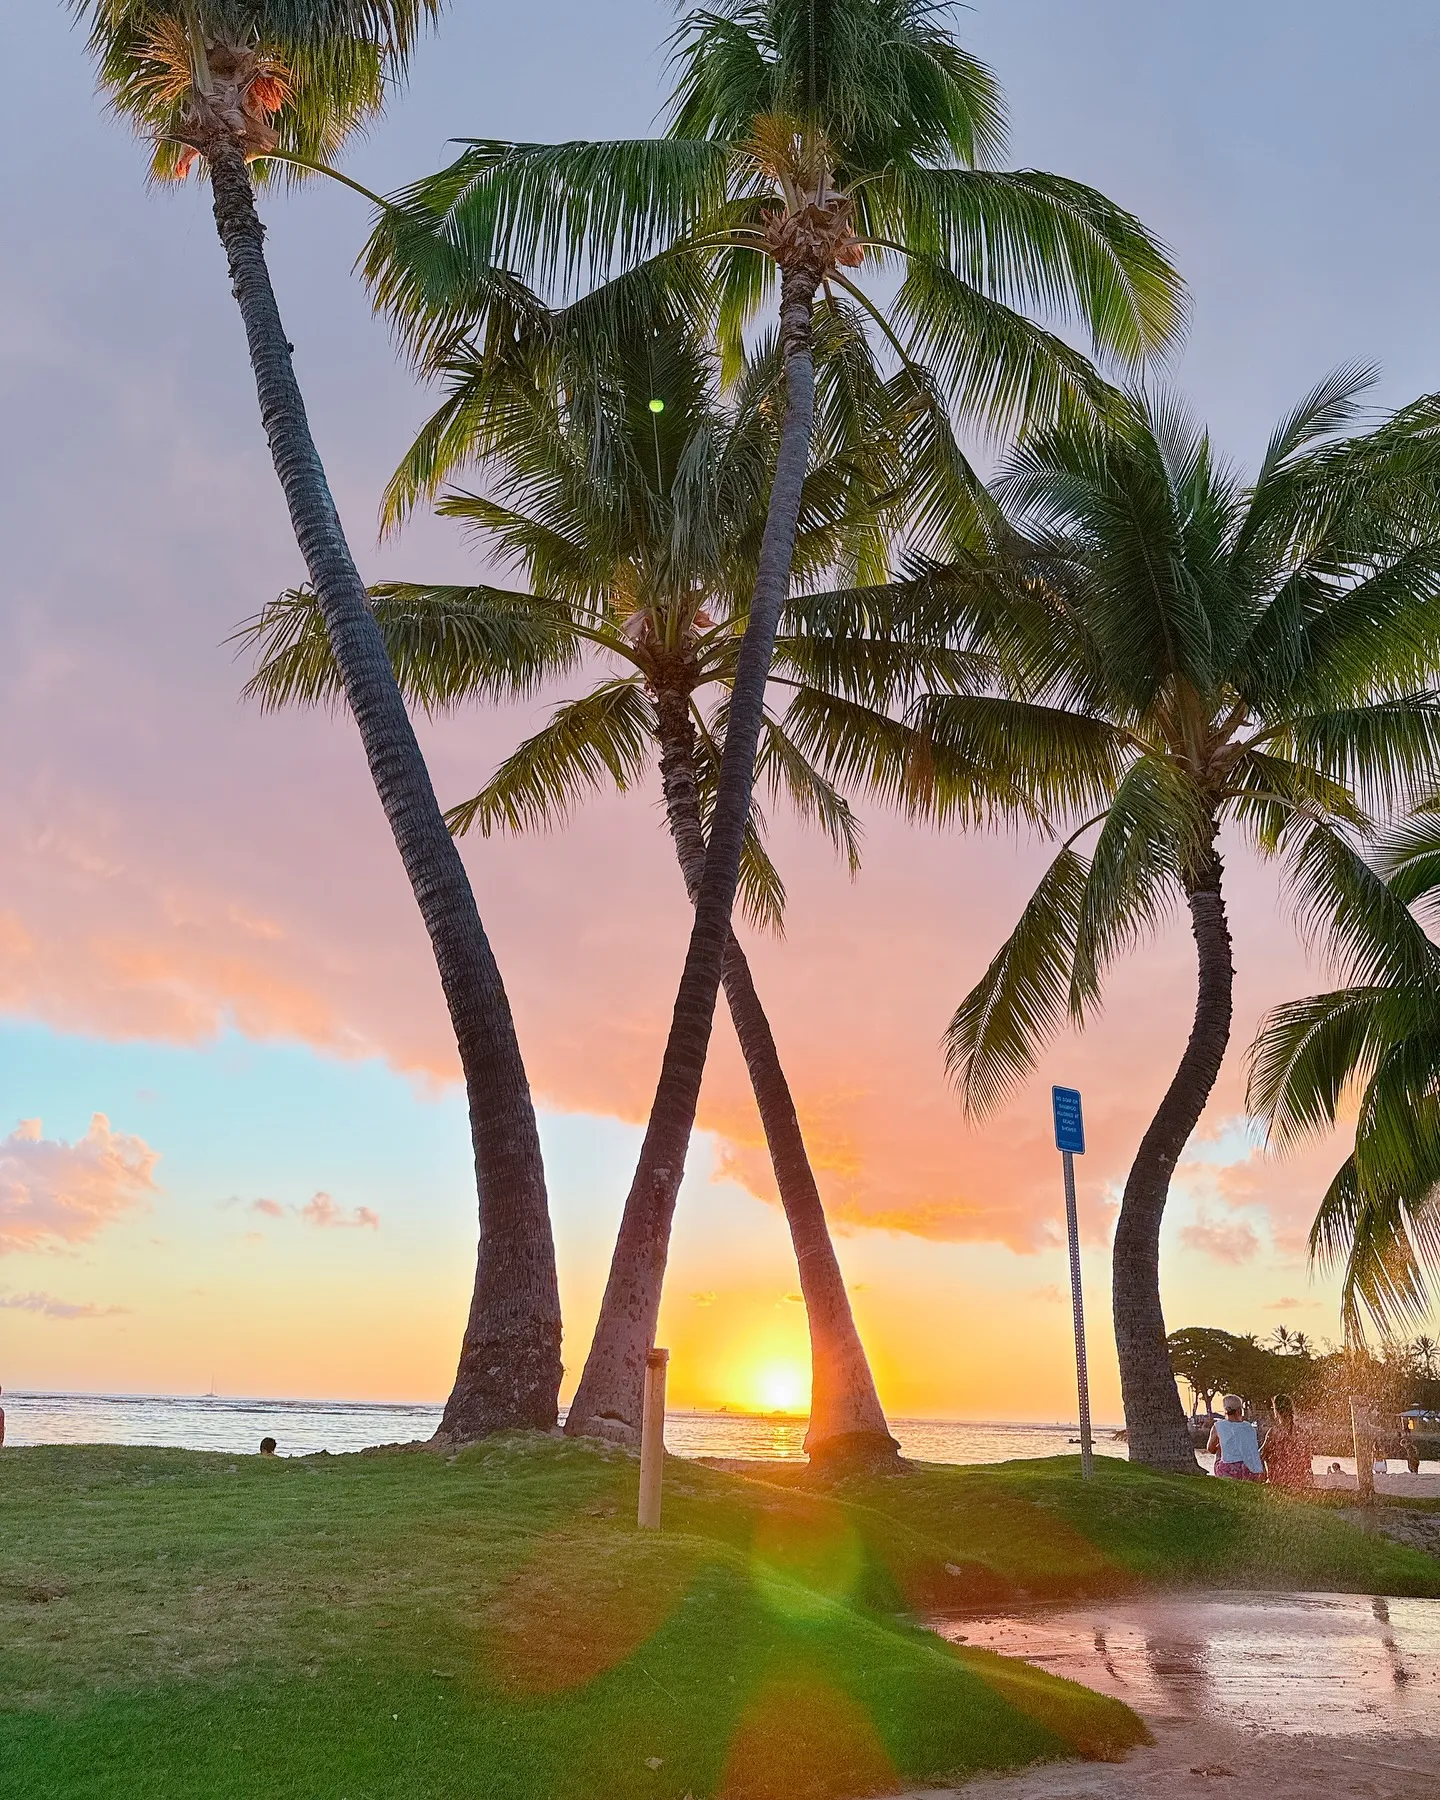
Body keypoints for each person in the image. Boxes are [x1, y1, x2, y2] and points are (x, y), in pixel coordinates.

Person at [1207, 1394, 1265, 1480]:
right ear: (1239, 1411)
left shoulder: (1218, 1426)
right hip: (1250, 1470)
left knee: (1219, 1449)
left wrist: (1220, 1447)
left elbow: (1210, 1449)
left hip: (1228, 1470)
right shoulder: (1249, 1427)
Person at [1262, 1393, 1312, 1491]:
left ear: (1276, 1411)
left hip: (1278, 1481)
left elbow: (1262, 1454)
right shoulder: (1301, 1432)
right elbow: (1307, 1459)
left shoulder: (1274, 1433)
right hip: (1298, 1481)